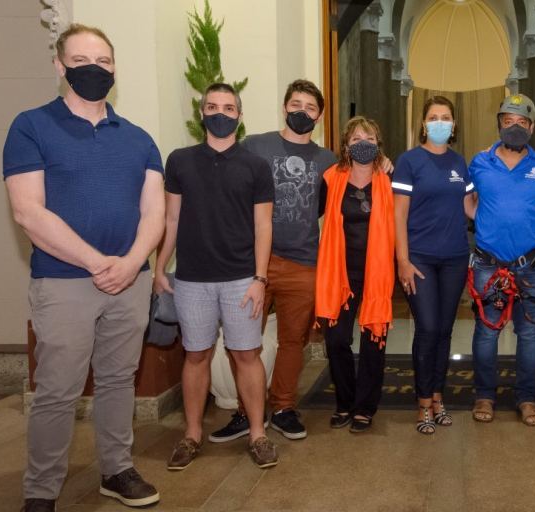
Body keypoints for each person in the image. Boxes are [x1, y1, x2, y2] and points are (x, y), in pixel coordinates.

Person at [4, 24, 163, 511]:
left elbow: (155, 212)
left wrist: (133, 262)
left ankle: (116, 469)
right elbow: (28, 211)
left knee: (119, 380)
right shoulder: (31, 126)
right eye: (81, 61)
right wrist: (98, 262)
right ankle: (41, 490)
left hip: (129, 282)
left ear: (115, 68)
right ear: (60, 66)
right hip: (64, 281)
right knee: (57, 390)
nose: (95, 69)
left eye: (104, 61)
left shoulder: (139, 138)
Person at [156, 83, 278, 471]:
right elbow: (171, 218)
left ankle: (258, 434)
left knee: (247, 354)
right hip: (192, 279)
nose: (220, 113)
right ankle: (191, 434)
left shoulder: (256, 166)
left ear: (240, 117)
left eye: (228, 107)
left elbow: (264, 226)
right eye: (212, 106)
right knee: (196, 355)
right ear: (202, 113)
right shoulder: (179, 160)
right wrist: (160, 266)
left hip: (242, 277)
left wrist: (260, 278)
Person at [210, 79, 336, 442]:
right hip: (254, 265)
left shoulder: (326, 160)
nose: (302, 112)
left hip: (303, 263)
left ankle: (283, 407)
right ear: (284, 107)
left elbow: (330, 202)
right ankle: (246, 412)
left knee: (293, 341)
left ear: (320, 116)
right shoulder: (256, 146)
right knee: (243, 340)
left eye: (310, 108)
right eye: (296, 104)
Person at [464, 93, 535, 426]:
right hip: (489, 264)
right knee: (486, 332)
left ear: (531, 127)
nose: (514, 127)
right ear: (499, 124)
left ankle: (527, 399)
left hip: (531, 266)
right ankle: (484, 395)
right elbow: (469, 203)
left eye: (521, 122)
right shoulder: (479, 162)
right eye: (508, 121)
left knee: (529, 334)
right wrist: (489, 225)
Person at [392, 96, 471, 435]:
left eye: (446, 117)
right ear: (424, 124)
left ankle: (439, 398)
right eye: (434, 117)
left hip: (455, 257)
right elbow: (399, 215)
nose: (440, 122)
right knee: (426, 328)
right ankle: (423, 402)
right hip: (419, 258)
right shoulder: (410, 161)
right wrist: (403, 261)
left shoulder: (459, 162)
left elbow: (470, 208)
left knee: (444, 330)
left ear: (453, 125)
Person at [316, 116, 396, 433]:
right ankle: (345, 402)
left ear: (378, 145)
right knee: (336, 340)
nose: (363, 143)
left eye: (369, 138)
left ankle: (365, 407)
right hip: (340, 275)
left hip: (376, 273)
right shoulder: (331, 178)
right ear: (346, 146)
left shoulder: (390, 177)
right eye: (356, 138)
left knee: (373, 339)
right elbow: (314, 217)